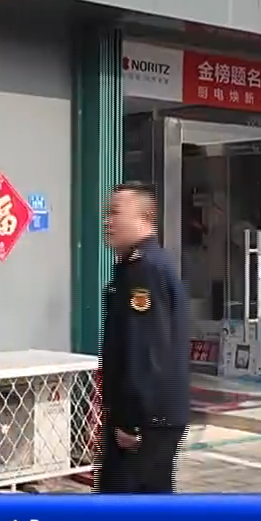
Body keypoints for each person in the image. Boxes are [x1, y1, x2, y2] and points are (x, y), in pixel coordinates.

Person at [96, 182, 191, 495]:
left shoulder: (144, 270)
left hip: (146, 421)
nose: (108, 221)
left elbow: (146, 351)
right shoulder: (139, 265)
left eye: (115, 213)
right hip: (154, 418)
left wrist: (131, 422)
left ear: (144, 218)